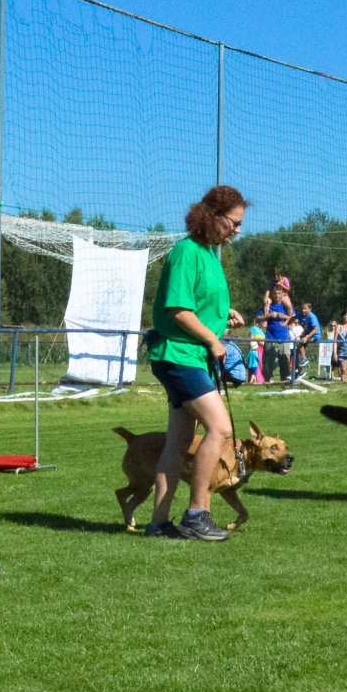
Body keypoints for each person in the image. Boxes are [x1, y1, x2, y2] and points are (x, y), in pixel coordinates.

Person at [142, 184, 248, 541]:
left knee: (177, 441)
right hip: (179, 356)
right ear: (212, 216)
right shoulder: (186, 252)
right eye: (234, 222)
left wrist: (223, 316)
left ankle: (158, 524)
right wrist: (212, 339)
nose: (237, 230)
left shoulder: (208, 255)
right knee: (220, 428)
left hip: (189, 356)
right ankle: (197, 514)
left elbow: (197, 305)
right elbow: (178, 310)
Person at [257, 287, 294, 383]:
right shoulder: (268, 306)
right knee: (268, 363)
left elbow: (294, 318)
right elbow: (257, 318)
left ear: (282, 294)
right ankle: (266, 382)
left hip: (284, 339)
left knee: (285, 362)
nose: (277, 296)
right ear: (271, 295)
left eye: (279, 293)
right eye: (275, 294)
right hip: (270, 338)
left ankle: (284, 382)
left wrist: (283, 316)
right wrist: (269, 315)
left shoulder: (285, 306)